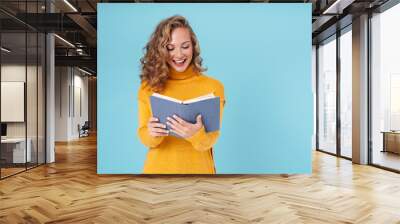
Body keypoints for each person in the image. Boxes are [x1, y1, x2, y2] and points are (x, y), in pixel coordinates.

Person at [137, 15, 225, 174]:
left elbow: (211, 139)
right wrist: (152, 133)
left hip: (200, 173)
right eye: (170, 48)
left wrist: (196, 134)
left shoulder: (214, 87)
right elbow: (144, 136)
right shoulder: (148, 87)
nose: (178, 55)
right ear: (161, 50)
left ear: (194, 47)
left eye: (185, 46)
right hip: (158, 173)